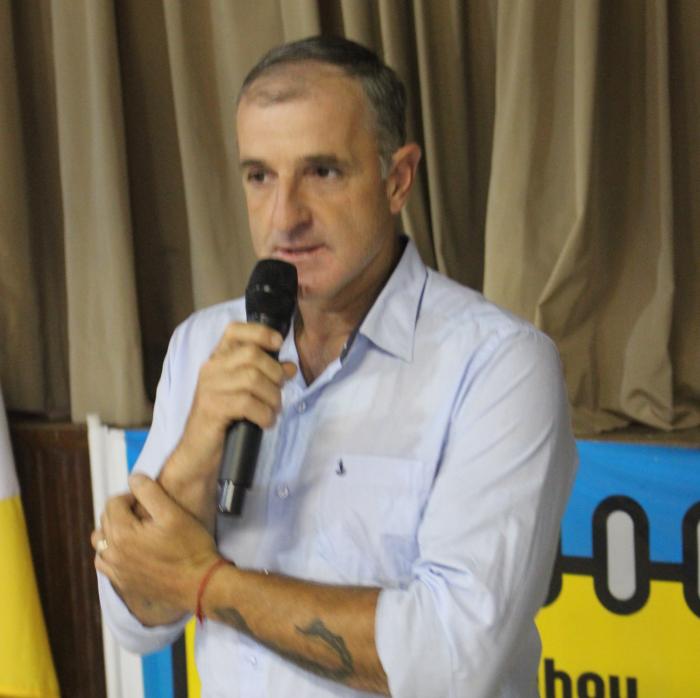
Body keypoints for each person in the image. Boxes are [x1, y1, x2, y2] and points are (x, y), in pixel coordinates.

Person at [92, 35, 577, 698]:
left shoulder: (500, 366)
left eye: (321, 172)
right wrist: (198, 447)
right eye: (260, 176)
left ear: (397, 179)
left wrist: (206, 583)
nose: (284, 216)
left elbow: (452, 663)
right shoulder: (204, 343)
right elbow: (136, 621)